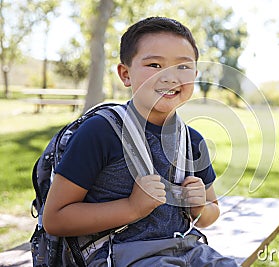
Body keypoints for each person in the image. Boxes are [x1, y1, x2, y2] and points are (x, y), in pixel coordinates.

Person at [43, 16, 238, 266]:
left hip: (184, 249)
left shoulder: (192, 141)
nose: (170, 77)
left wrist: (200, 206)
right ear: (126, 74)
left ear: (196, 75)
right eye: (155, 65)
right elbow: (55, 219)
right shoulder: (101, 132)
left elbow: (211, 213)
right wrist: (131, 208)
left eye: (183, 66)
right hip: (117, 255)